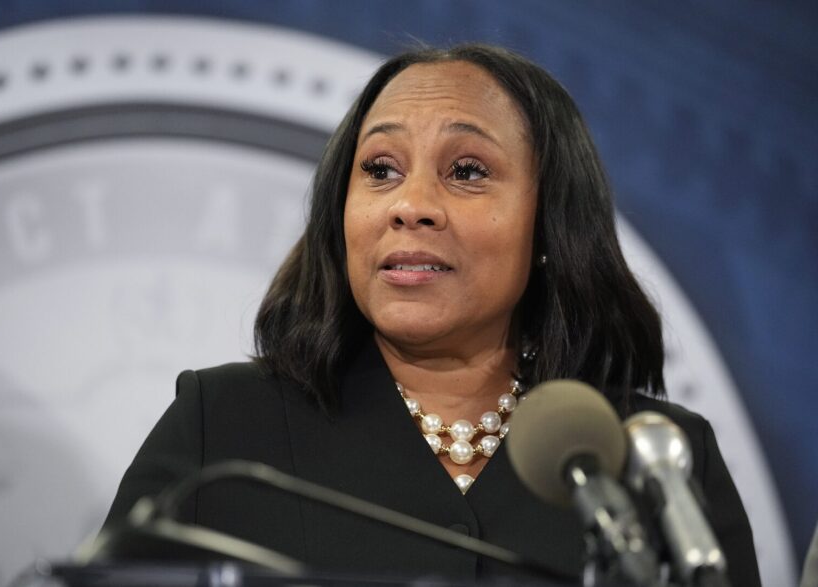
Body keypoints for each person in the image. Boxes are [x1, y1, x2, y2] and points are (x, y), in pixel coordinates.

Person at [104, 44, 760, 585]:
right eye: (381, 169)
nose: (411, 204)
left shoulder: (657, 458)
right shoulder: (221, 426)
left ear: (550, 225)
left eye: (468, 170)